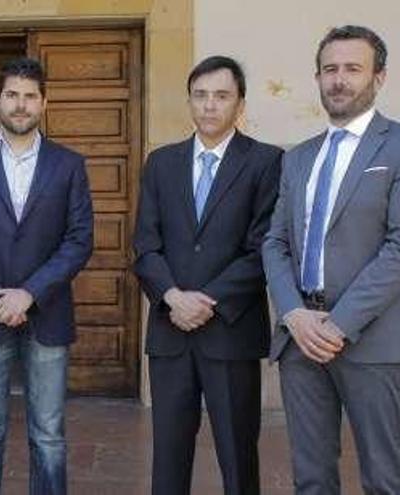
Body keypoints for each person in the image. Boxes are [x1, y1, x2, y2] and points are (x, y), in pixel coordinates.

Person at [0, 57, 93, 495]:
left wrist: (29, 293)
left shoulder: (68, 165)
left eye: (30, 96)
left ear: (44, 102)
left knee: (48, 435)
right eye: (12, 95)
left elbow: (79, 239)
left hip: (47, 315)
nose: (20, 105)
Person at [132, 56, 282, 494]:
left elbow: (264, 248)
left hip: (230, 334)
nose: (209, 106)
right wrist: (173, 297)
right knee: (168, 458)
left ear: (239, 103)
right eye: (200, 96)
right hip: (170, 332)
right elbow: (146, 245)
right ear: (189, 101)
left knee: (238, 457)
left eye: (221, 96)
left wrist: (206, 301)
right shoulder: (161, 163)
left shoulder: (265, 162)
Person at [263, 25, 400, 494]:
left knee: (386, 479)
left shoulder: (397, 147)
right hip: (301, 342)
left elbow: (398, 250)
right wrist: (295, 315)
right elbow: (274, 242)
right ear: (318, 77)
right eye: (330, 69)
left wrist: (338, 325)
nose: (339, 80)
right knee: (312, 480)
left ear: (379, 77)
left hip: (373, 343)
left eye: (352, 69)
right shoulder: (297, 158)